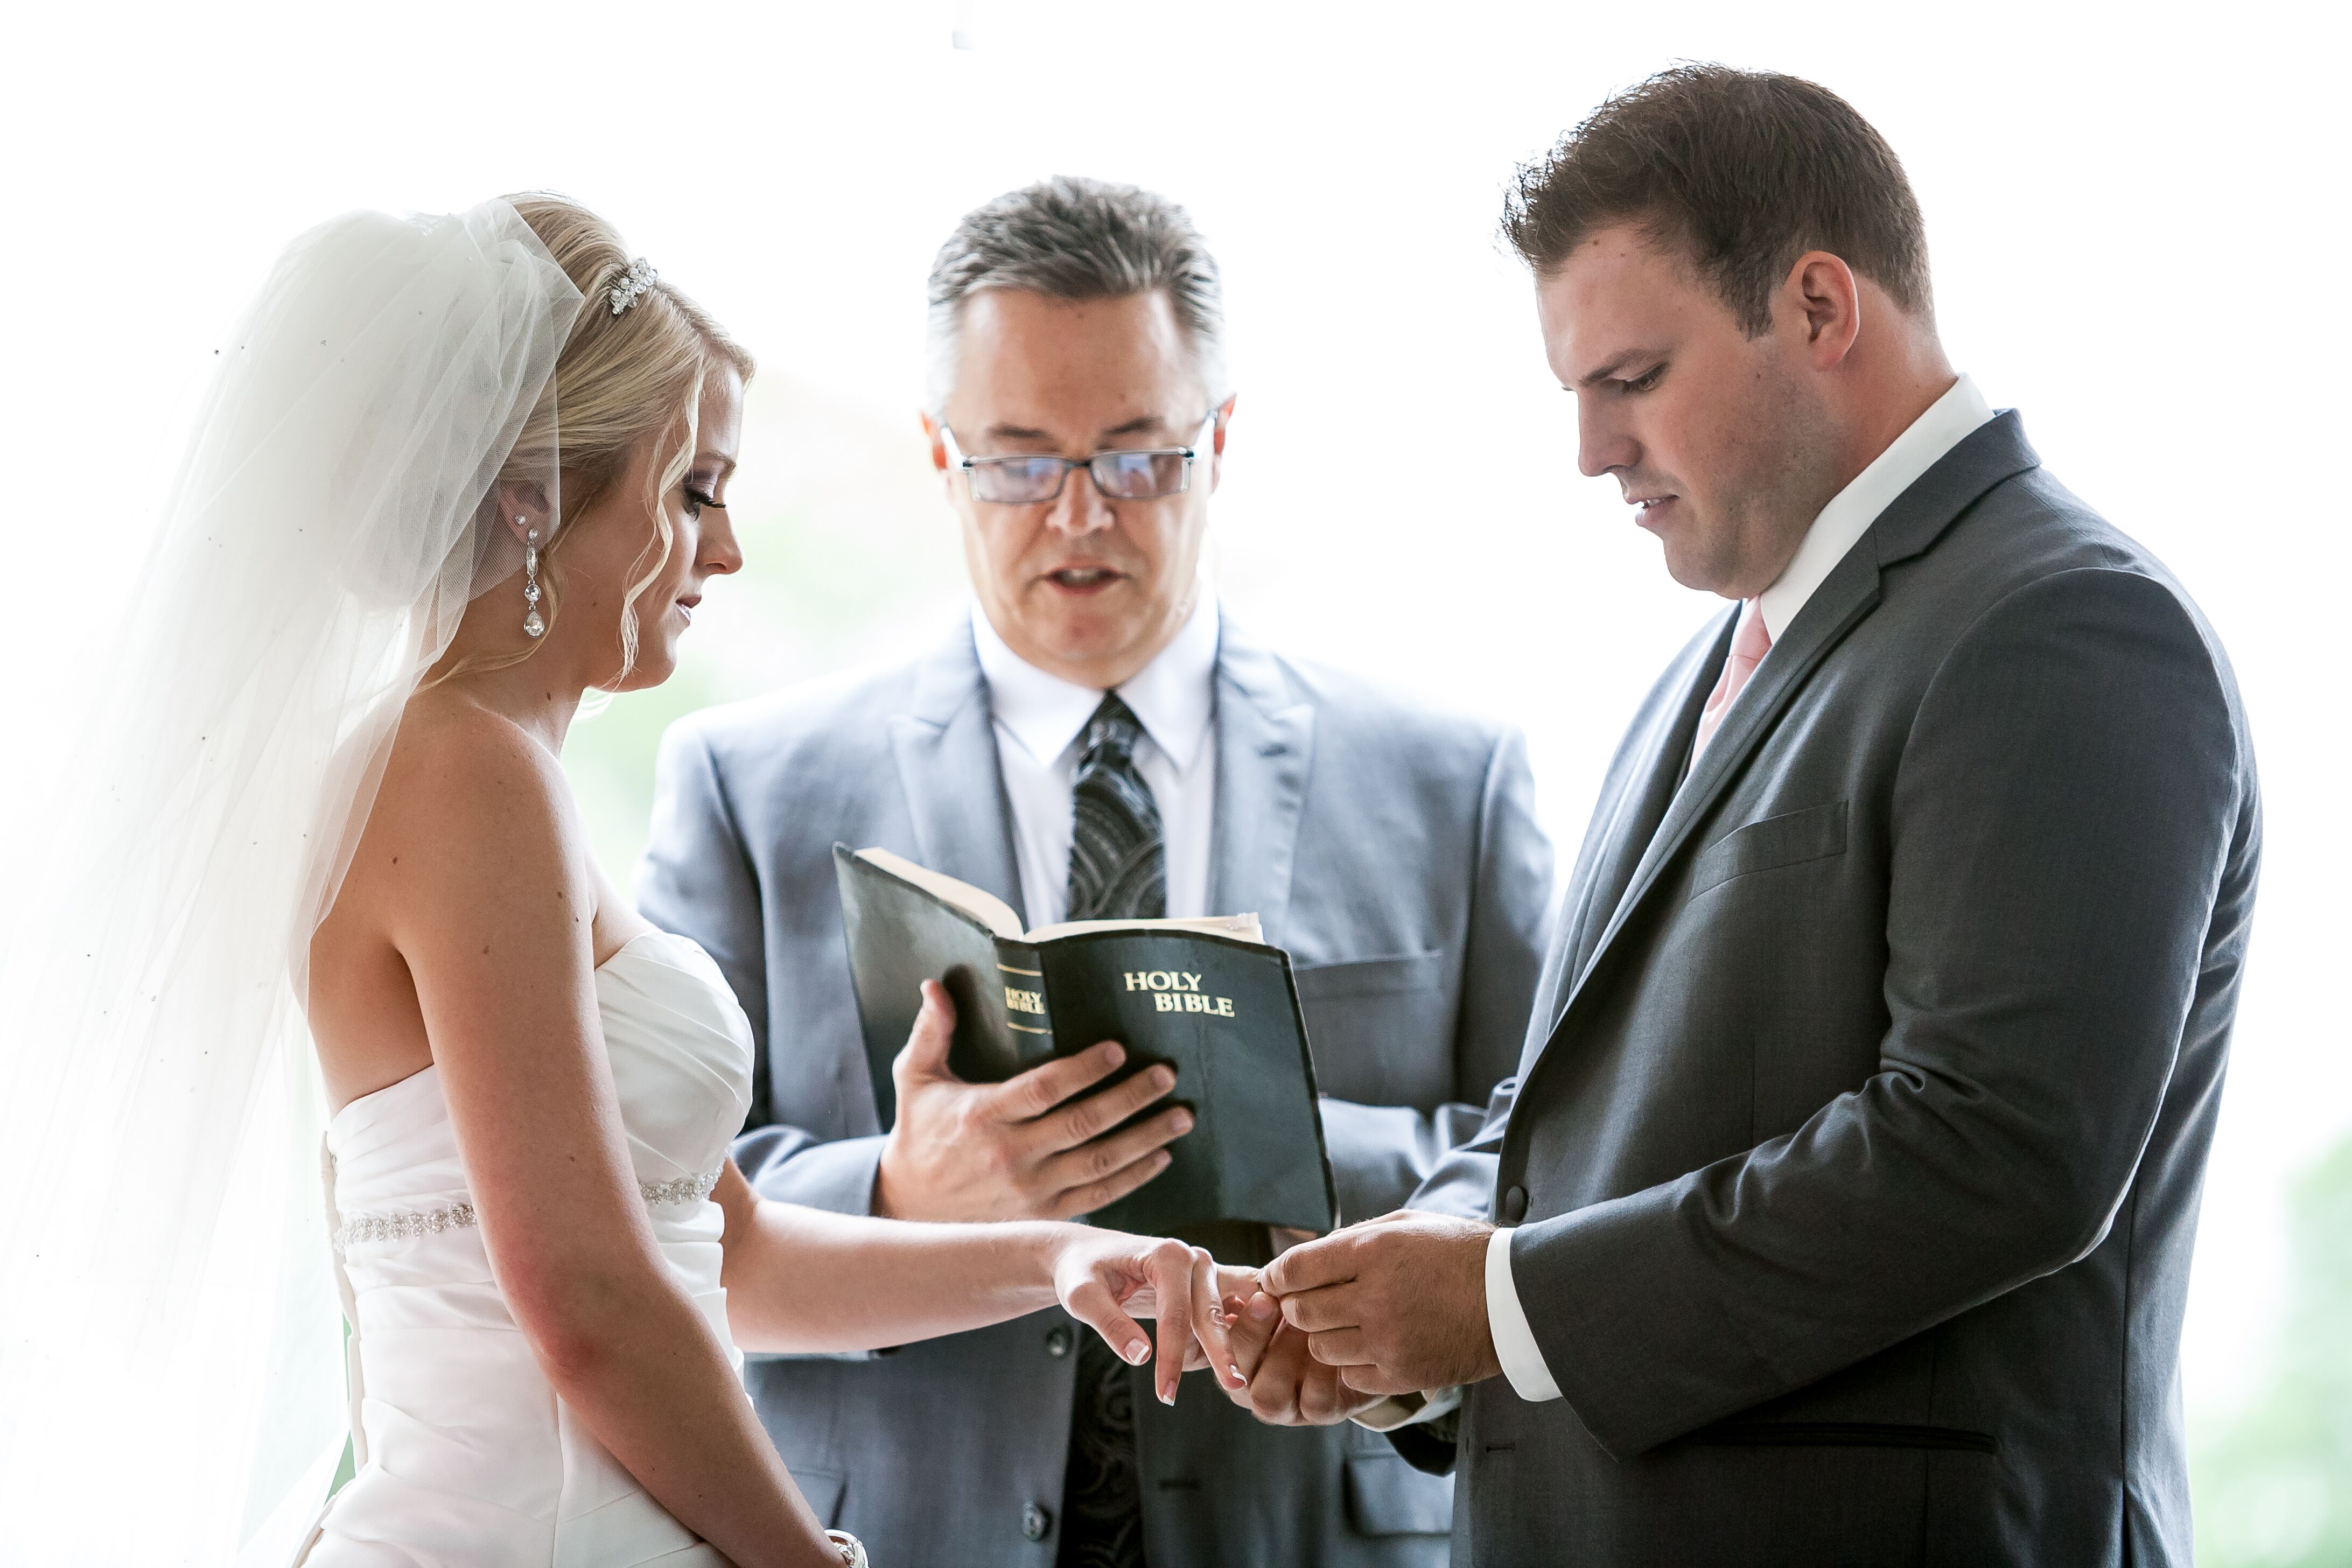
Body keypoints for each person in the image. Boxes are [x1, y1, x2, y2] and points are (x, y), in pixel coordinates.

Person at [0, 193, 1248, 1568]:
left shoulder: (495, 775)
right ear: (536, 502)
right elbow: (583, 1299)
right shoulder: (464, 773)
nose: (725, 548)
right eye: (694, 489)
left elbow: (738, 1254)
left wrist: (1058, 1261)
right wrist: (796, 1557)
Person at [1217, 66, 2261, 1566]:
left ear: (1821, 309)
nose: (1586, 449)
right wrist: (1397, 1314)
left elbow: (1996, 1152)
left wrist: (1502, 1305)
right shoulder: (1712, 658)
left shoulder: (2067, 629)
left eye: (1630, 379)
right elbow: (1577, 1124)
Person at [636, 176, 1554, 1568]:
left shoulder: (1454, 780)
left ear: (1220, 442)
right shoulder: (746, 786)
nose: (1077, 517)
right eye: (1018, 459)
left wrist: (1284, 1152)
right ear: (941, 453)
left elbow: (1555, 1156)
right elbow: (655, 1220)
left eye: (1136, 457)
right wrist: (896, 1194)